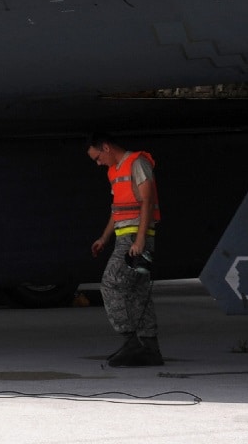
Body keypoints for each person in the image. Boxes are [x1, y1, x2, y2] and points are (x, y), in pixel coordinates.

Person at [86, 133, 163, 367]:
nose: (98, 163)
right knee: (137, 292)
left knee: (110, 285)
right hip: (124, 237)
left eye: (98, 157)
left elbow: (147, 202)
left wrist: (139, 241)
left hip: (134, 238)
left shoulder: (137, 163)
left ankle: (131, 343)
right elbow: (117, 209)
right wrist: (104, 237)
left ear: (106, 147)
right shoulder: (115, 171)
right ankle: (150, 348)